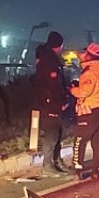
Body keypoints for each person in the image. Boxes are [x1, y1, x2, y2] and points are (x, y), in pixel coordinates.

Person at [70, 42, 99, 179]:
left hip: (89, 111)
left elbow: (84, 92)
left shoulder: (90, 72)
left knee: (80, 140)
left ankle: (77, 169)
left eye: (85, 53)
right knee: (97, 141)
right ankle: (96, 170)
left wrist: (72, 89)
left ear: (89, 55)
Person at [30, 30, 68, 173]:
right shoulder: (49, 61)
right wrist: (59, 101)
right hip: (49, 103)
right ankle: (47, 165)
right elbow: (53, 86)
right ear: (58, 45)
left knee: (58, 133)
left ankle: (57, 161)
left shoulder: (50, 59)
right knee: (52, 134)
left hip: (53, 103)